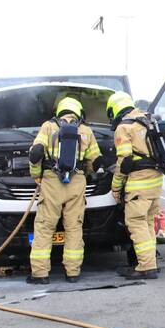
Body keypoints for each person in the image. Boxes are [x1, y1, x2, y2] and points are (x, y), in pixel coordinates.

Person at [26, 96, 102, 285]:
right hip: (77, 182)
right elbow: (96, 161)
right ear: (78, 112)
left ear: (59, 111)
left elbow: (36, 153)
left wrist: (36, 175)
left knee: (45, 227)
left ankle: (40, 274)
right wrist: (85, 173)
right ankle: (73, 272)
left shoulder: (48, 127)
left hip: (52, 182)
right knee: (74, 227)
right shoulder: (86, 130)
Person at [107, 91, 163, 279]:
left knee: (136, 222)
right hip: (156, 181)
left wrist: (116, 187)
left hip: (139, 182)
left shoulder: (124, 127)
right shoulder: (147, 120)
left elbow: (124, 161)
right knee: (147, 222)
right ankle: (150, 262)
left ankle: (146, 267)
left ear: (113, 110)